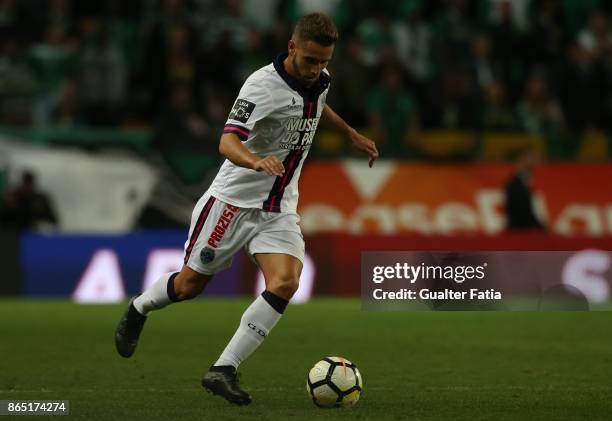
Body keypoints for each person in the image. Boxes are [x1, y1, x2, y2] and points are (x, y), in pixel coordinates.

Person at [115, 12, 378, 406]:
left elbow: (317, 105)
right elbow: (227, 142)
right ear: (292, 47)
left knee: (286, 282)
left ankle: (223, 369)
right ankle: (139, 308)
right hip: (232, 203)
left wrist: (351, 133)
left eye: (325, 61)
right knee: (189, 286)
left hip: (278, 206)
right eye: (310, 60)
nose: (317, 69)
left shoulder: (319, 79)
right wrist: (255, 161)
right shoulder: (261, 86)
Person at [504, 148, 545, 231]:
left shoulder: (526, 182)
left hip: (523, 231)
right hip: (518, 232)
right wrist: (541, 229)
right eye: (531, 157)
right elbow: (522, 212)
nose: (535, 161)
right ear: (522, 160)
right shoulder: (514, 185)